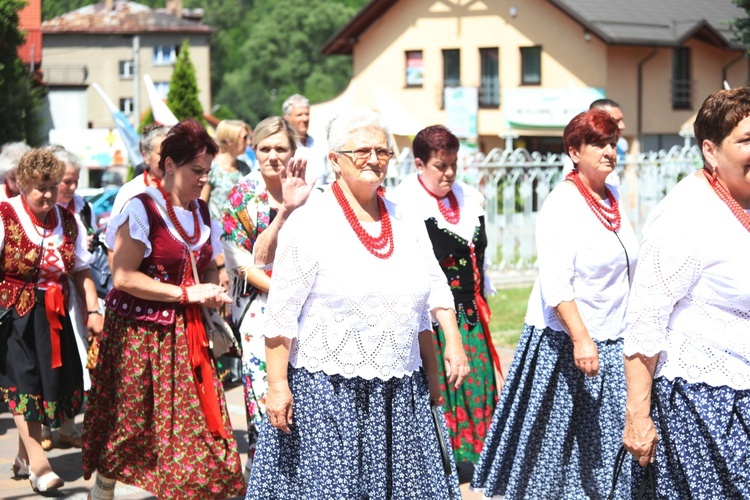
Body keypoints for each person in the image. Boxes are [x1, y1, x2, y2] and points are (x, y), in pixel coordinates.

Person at [246, 109, 461, 498]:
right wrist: (277, 386)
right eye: (362, 150)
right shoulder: (310, 223)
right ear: (335, 161)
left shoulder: (406, 220)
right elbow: (281, 314)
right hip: (329, 392)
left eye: (382, 150)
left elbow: (429, 291)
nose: (374, 159)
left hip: (400, 393)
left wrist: (445, 353)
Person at [472, 109, 639, 498]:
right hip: (568, 341)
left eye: (613, 143)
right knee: (558, 446)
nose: (609, 152)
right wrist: (581, 338)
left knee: (606, 442)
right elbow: (556, 282)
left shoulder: (611, 197)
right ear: (574, 150)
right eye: (598, 144)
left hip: (613, 334)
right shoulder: (562, 203)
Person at [81, 119, 245, 499]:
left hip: (187, 333)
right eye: (196, 171)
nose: (203, 179)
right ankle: (104, 485)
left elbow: (205, 261)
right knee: (131, 423)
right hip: (140, 333)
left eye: (207, 171)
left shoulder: (202, 214)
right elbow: (122, 277)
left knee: (192, 431)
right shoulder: (142, 209)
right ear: (169, 165)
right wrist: (186, 294)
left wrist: (211, 287)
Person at [622, 88, 750, 497]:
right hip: (707, 403)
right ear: (710, 151)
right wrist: (638, 417)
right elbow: (645, 318)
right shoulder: (687, 213)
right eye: (747, 141)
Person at [392, 125, 498, 469]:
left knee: (476, 386)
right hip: (429, 321)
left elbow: (479, 259)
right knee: (436, 390)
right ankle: (433, 465)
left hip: (469, 315)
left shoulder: (468, 198)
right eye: (441, 165)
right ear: (419, 164)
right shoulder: (403, 205)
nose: (449, 173)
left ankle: (470, 462)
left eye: (453, 164)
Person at [0, 149, 103, 493]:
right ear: (23, 184)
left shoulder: (70, 221)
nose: (47, 193)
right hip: (14, 314)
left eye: (53, 186)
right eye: (40, 187)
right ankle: (39, 466)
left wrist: (93, 310)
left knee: (46, 388)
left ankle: (22, 457)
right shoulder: (5, 215)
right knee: (24, 385)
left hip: (54, 315)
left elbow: (81, 269)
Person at [220, 116, 313, 479]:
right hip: (260, 308)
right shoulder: (242, 195)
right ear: (253, 151)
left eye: (281, 148)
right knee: (265, 397)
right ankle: (264, 480)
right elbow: (240, 262)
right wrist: (288, 293)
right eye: (265, 148)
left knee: (305, 397)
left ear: (293, 151)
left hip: (310, 309)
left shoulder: (312, 193)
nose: (273, 156)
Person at [562, 98, 628, 185]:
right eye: (615, 121)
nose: (622, 126)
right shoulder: (579, 162)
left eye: (612, 145)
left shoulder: (620, 147)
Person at [111, 124, 169, 218]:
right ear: (146, 156)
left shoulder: (183, 188)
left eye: (170, 153)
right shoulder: (130, 191)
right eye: (161, 154)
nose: (167, 159)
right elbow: (114, 230)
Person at [282, 94, 328, 186]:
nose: (305, 118)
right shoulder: (282, 147)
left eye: (307, 114)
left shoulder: (319, 144)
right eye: (299, 115)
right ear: (286, 118)